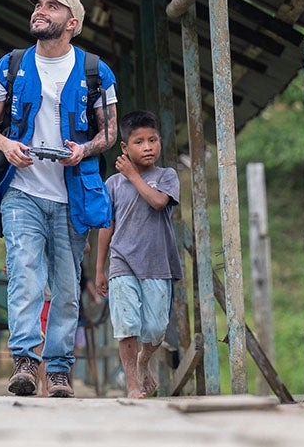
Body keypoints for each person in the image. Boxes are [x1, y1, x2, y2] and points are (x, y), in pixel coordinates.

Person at [0, 0, 118, 398]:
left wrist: (85, 149)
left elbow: (109, 131)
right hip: (22, 189)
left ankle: (58, 368)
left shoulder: (95, 70)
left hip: (72, 193)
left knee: (67, 285)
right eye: (38, 4)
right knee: (24, 273)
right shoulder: (12, 64)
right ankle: (24, 361)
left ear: (71, 22)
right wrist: (6, 144)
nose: (40, 10)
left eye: (51, 7)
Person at [94, 110, 182, 399]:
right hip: (122, 263)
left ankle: (145, 359)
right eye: (139, 142)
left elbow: (158, 202)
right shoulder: (113, 185)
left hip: (158, 264)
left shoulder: (167, 176)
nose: (148, 147)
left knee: (156, 328)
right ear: (124, 148)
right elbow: (107, 226)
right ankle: (132, 385)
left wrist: (132, 175)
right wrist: (99, 268)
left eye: (153, 140)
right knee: (126, 324)